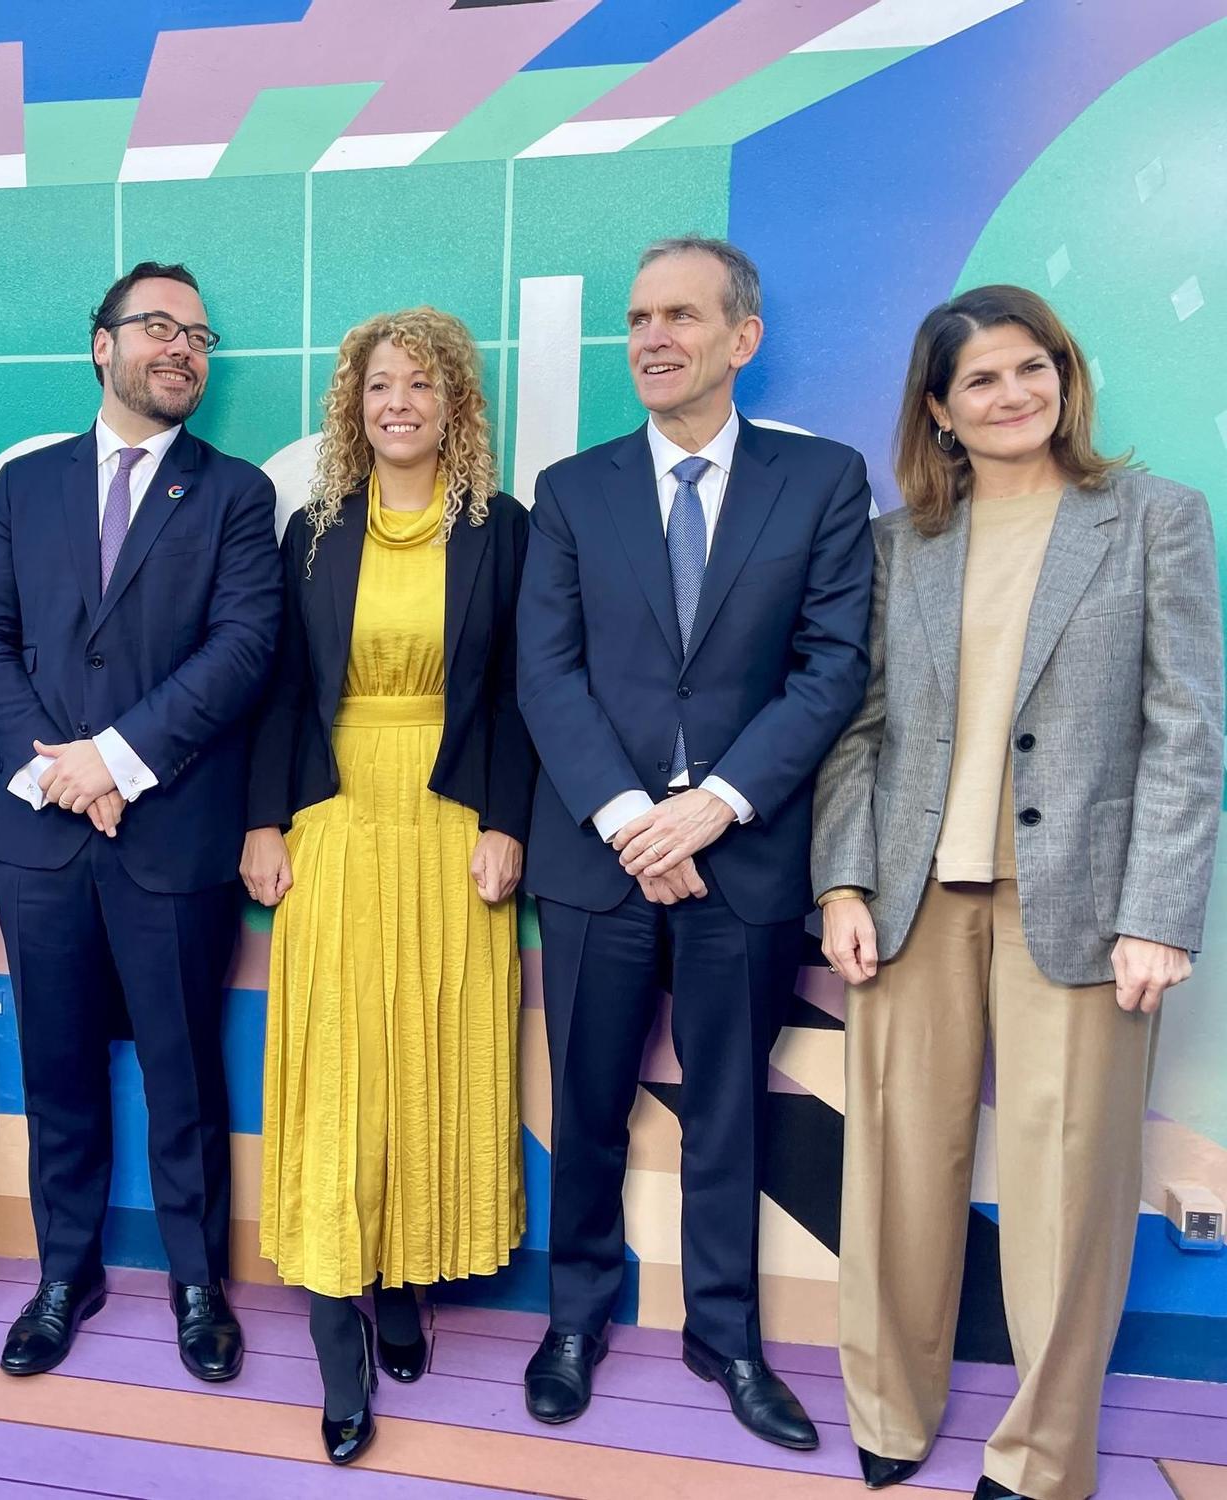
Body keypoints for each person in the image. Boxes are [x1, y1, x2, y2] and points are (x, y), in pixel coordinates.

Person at [812, 285, 1222, 1500]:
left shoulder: (1153, 518)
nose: (1011, 395)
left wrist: (1158, 909)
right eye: (978, 380)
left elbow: (1185, 728)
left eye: (1029, 368)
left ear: (1063, 374)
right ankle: (887, 1406)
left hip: (1087, 902)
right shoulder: (897, 547)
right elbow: (858, 732)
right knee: (891, 1163)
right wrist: (840, 880)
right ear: (937, 410)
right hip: (908, 895)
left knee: (1064, 1184)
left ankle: (1042, 1458)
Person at [516, 238, 874, 1449]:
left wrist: (712, 806)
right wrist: (631, 821)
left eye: (679, 315)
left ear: (741, 338)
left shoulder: (821, 483)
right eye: (635, 318)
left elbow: (831, 671)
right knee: (589, 1100)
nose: (652, 337)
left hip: (743, 856)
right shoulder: (568, 490)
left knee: (728, 1110)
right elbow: (544, 675)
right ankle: (573, 1321)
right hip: (597, 861)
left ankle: (724, 1335)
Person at [0, 260, 281, 1381]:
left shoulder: (237, 494)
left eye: (199, 335)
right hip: (43, 838)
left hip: (171, 834)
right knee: (54, 1071)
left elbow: (239, 650)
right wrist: (58, 773)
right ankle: (66, 1274)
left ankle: (198, 1285)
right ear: (101, 345)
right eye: (159, 327)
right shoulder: (24, 485)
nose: (183, 348)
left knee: (185, 1075)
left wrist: (118, 758)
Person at [242, 307, 532, 1463]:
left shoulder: (501, 531)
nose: (395, 402)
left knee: (424, 1056)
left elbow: (517, 691)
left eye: (419, 384)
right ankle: (333, 1321)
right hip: (331, 816)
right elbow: (274, 693)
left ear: (456, 403)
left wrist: (509, 823)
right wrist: (263, 820)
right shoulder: (310, 533)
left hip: (453, 821)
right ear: (351, 408)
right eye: (375, 386)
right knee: (335, 1063)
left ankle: (403, 1278)